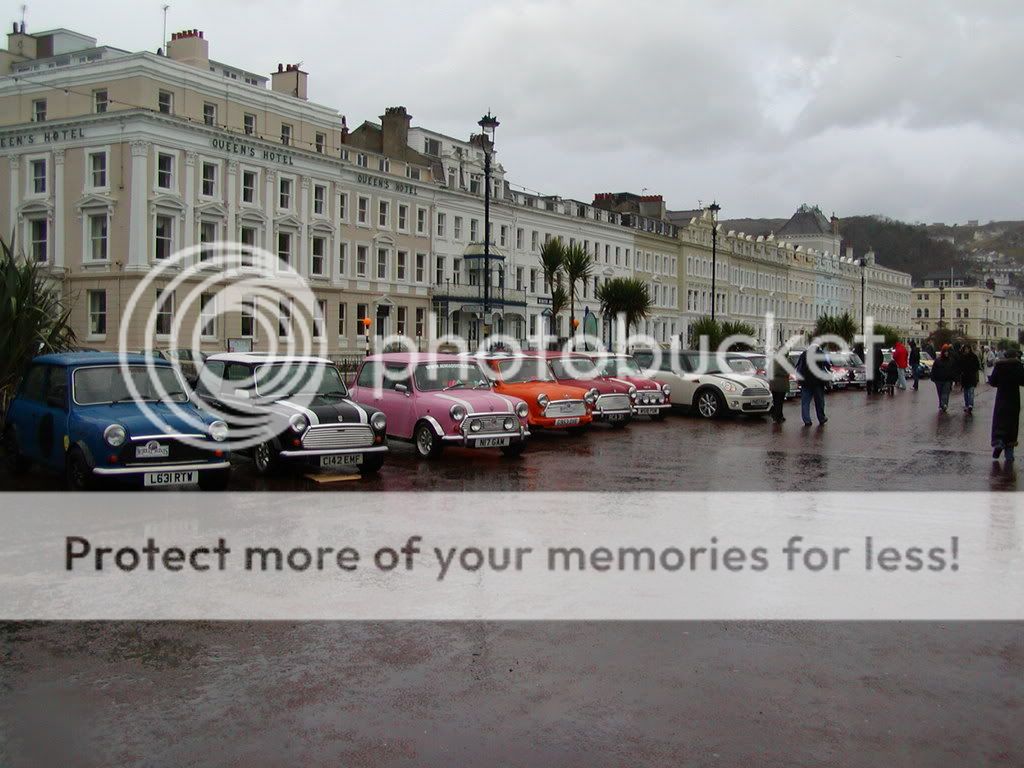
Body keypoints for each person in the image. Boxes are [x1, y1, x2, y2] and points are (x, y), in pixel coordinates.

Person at [988, 349, 1024, 463]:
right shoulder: (1018, 366)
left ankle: (999, 442)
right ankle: (1009, 453)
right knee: (1012, 424)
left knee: (999, 421)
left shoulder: (999, 366)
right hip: (1013, 399)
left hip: (1001, 398)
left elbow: (993, 382)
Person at [797, 344, 830, 426]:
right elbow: (827, 365)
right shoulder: (820, 354)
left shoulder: (804, 354)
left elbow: (799, 367)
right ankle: (821, 418)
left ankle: (806, 420)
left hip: (805, 382)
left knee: (805, 402)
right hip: (818, 382)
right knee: (819, 401)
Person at [930, 345, 955, 413]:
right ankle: (941, 404)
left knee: (945, 393)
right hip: (938, 380)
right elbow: (934, 370)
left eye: (947, 352)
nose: (946, 353)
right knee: (940, 393)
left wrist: (953, 378)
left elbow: (952, 370)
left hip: (947, 380)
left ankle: (944, 404)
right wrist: (933, 377)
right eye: (945, 352)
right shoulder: (938, 360)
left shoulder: (950, 360)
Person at [958, 344, 981, 415]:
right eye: (965, 349)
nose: (966, 350)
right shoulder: (962, 357)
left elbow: (977, 366)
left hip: (971, 377)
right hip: (965, 377)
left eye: (968, 349)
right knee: (965, 392)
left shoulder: (973, 357)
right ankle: (967, 404)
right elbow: (959, 367)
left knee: (971, 391)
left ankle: (970, 405)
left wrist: (973, 372)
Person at [769, 355, 790, 423]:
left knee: (776, 401)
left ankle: (779, 415)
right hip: (781, 383)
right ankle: (777, 417)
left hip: (774, 383)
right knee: (779, 401)